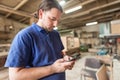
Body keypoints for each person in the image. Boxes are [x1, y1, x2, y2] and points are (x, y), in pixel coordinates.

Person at [5, 0, 75, 80]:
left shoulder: (55, 34)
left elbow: (60, 53)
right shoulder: (25, 36)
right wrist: (53, 69)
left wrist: (65, 58)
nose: (56, 24)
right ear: (41, 14)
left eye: (58, 21)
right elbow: (15, 76)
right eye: (52, 19)